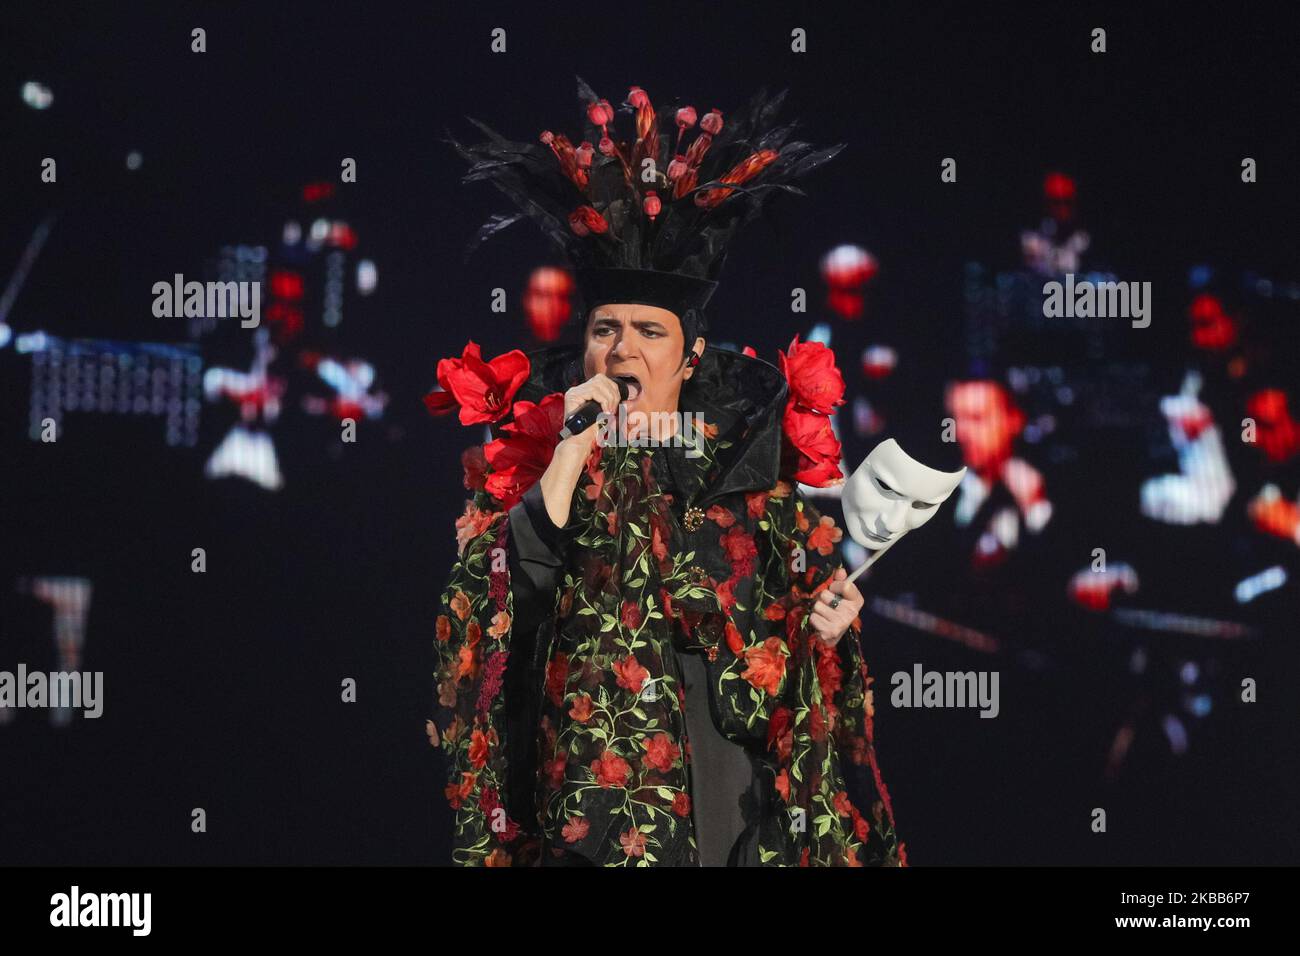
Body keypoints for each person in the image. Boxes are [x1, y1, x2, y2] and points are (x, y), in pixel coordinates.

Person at [426, 80, 906, 866]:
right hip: (599, 816)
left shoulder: (750, 473)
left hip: (737, 814)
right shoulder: (541, 464)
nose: (621, 350)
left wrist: (829, 626)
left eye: (649, 331)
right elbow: (488, 607)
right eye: (604, 329)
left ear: (687, 360)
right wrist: (570, 454)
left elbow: (798, 648)